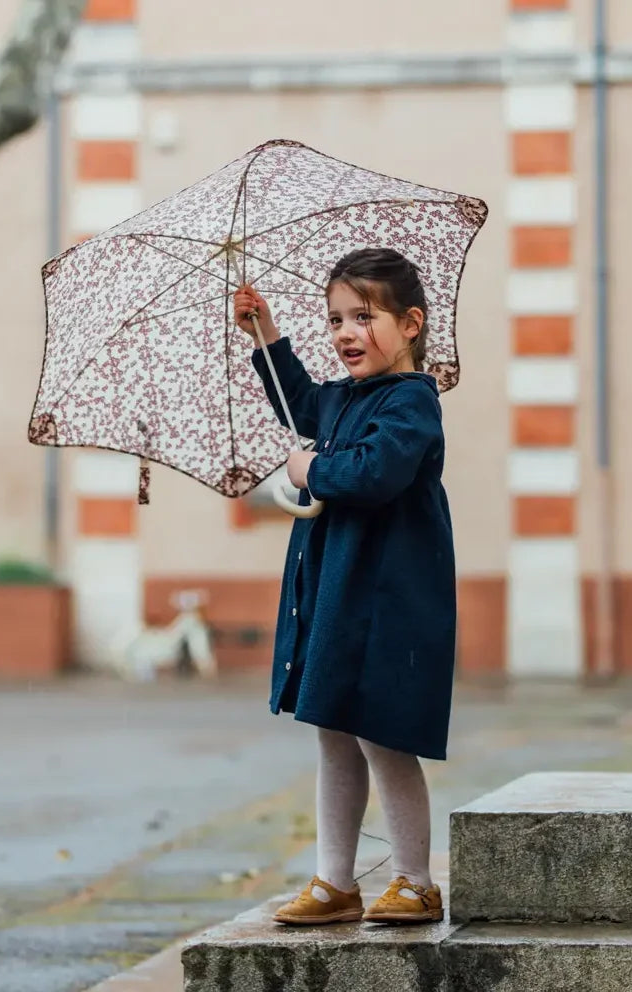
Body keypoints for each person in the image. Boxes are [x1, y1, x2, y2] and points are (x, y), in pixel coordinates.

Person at [232, 247, 455, 926]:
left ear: (410, 323)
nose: (345, 333)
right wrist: (267, 334)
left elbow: (374, 473)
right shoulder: (342, 399)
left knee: (383, 735)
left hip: (388, 600)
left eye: (364, 316)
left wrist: (308, 470)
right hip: (339, 593)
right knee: (333, 729)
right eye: (335, 320)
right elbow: (300, 400)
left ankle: (415, 879)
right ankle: (336, 881)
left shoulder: (411, 403)